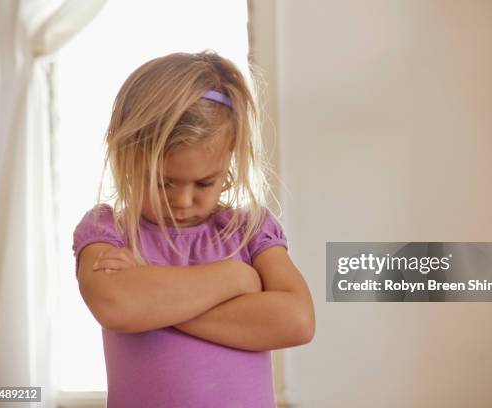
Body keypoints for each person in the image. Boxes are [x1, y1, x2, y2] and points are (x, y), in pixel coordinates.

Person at [71, 50, 315, 408]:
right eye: (163, 183)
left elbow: (297, 321)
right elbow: (117, 306)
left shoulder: (249, 230)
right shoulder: (107, 230)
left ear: (230, 159)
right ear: (125, 154)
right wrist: (232, 279)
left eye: (204, 183)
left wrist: (154, 302)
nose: (183, 201)